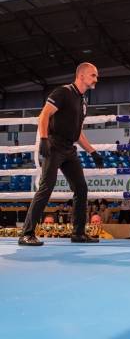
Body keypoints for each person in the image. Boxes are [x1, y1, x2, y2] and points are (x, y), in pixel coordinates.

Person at [18, 62, 104, 246]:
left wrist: (93, 152)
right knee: (46, 188)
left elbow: (77, 133)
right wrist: (44, 139)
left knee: (81, 188)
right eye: (93, 75)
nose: (96, 79)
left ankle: (78, 233)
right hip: (54, 146)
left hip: (69, 149)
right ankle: (26, 233)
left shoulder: (83, 102)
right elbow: (44, 115)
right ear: (81, 75)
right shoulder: (63, 92)